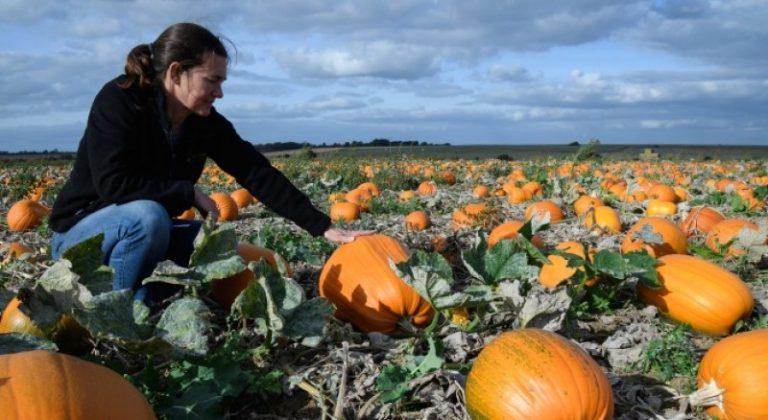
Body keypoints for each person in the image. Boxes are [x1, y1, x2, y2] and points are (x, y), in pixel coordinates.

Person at [49, 22, 371, 303]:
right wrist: (187, 192)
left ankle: (145, 294)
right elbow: (113, 184)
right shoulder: (120, 100)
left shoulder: (203, 122)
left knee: (218, 249)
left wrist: (323, 227)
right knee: (148, 217)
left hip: (143, 229)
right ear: (176, 72)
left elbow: (255, 171)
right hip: (81, 237)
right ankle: (114, 311)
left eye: (222, 83)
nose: (218, 93)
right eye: (211, 81)